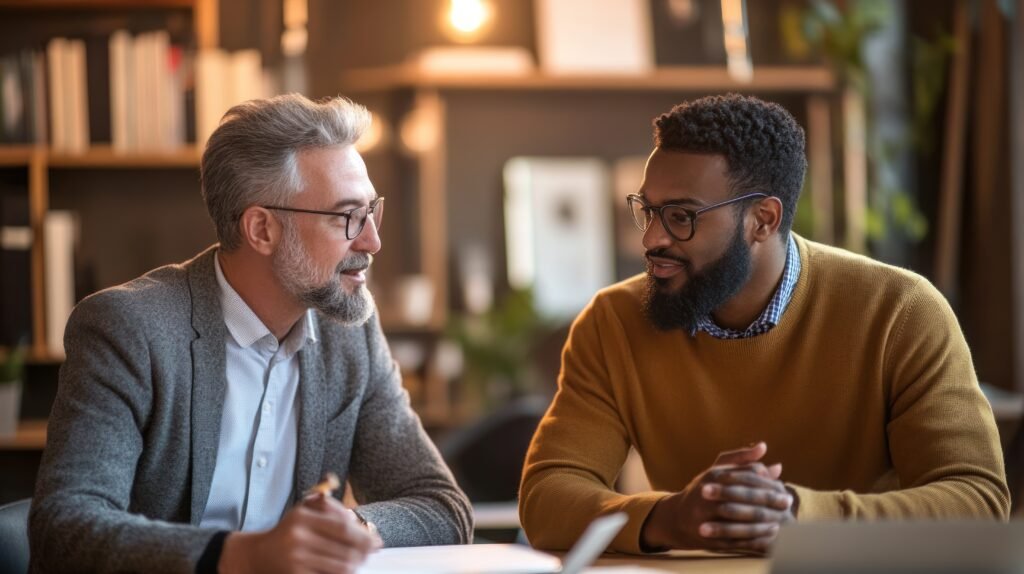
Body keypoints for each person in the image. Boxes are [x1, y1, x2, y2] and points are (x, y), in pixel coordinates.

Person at [519, 93, 1009, 555]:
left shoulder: (900, 312)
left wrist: (798, 517)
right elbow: (547, 494)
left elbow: (977, 501)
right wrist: (670, 517)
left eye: (681, 216)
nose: (651, 238)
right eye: (648, 210)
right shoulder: (613, 323)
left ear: (763, 220)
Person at [29, 94, 472, 573]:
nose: (372, 240)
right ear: (262, 229)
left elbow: (443, 508)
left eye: (371, 211)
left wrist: (346, 529)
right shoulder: (129, 329)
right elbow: (65, 528)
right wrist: (244, 554)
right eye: (347, 217)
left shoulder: (350, 336)